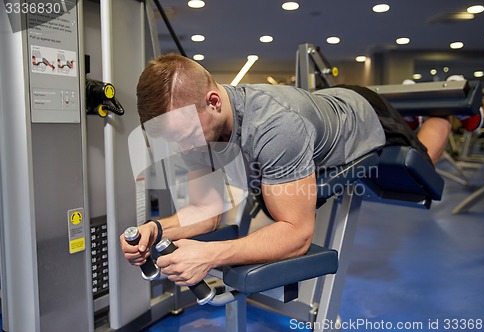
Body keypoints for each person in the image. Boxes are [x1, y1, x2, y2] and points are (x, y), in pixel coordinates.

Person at [121, 53, 452, 287]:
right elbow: (206, 210)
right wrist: (157, 229)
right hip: (321, 110)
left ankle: (446, 112)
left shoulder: (276, 126)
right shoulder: (193, 130)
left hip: (364, 115)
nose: (186, 149)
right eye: (175, 140)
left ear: (214, 101)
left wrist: (209, 254)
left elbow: (297, 234)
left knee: (420, 168)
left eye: (188, 136)